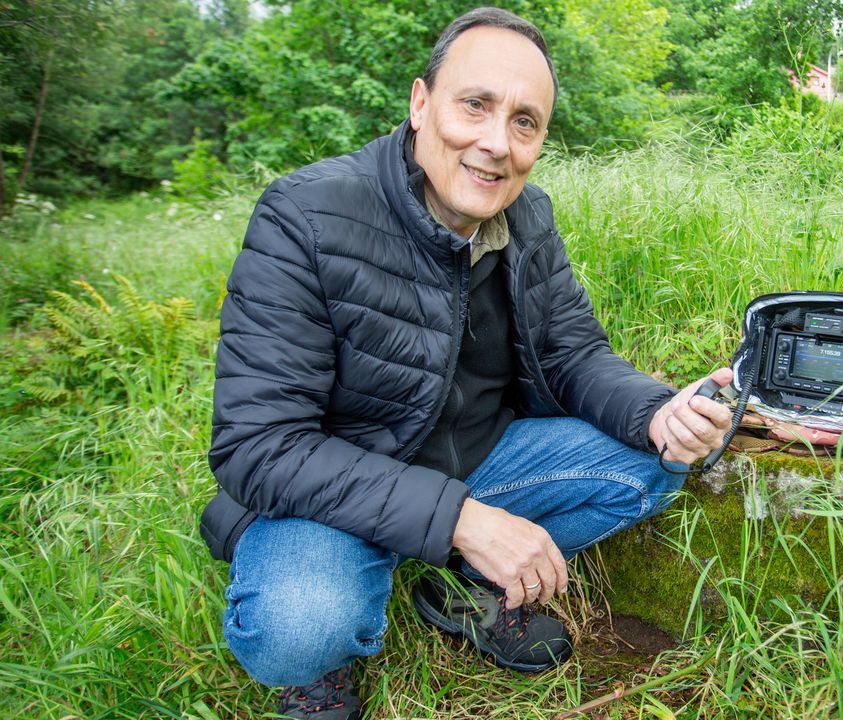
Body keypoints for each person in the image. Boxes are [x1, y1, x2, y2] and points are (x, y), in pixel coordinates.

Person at [198, 7, 733, 719]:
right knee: (301, 625)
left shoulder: (527, 217)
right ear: (421, 103)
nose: (496, 143)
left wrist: (658, 411)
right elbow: (258, 445)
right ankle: (323, 664)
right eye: (475, 105)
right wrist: (459, 520)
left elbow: (573, 354)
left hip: (480, 461)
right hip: (331, 496)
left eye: (524, 122)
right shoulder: (305, 217)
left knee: (655, 460)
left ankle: (462, 586)